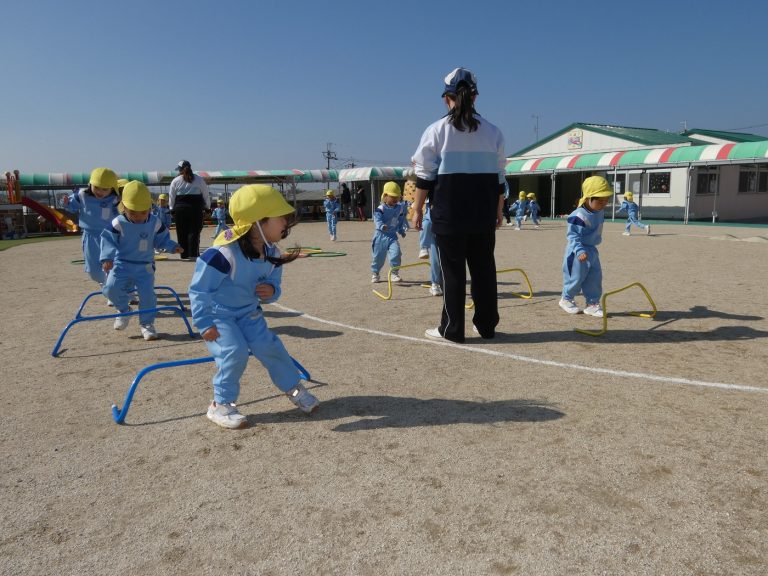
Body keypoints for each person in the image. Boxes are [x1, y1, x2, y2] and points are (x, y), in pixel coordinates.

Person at [188, 184, 319, 429]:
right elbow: (199, 290)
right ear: (258, 222)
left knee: (270, 347)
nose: (286, 222)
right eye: (281, 217)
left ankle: (293, 390)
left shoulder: (271, 253)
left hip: (249, 314)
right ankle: (220, 404)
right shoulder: (223, 254)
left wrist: (271, 291)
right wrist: (204, 323)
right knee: (234, 351)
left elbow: (273, 286)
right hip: (220, 316)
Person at [411, 67, 505, 343]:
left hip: (449, 214)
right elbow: (500, 177)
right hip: (483, 213)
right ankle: (487, 326)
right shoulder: (493, 132)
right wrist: (499, 210)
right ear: (475, 97)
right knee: (484, 270)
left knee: (452, 274)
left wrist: (417, 209)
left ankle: (452, 330)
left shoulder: (437, 130)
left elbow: (424, 175)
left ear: (446, 98)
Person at [101, 181, 182, 340]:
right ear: (124, 207)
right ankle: (124, 310)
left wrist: (172, 246)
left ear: (150, 208)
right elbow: (108, 240)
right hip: (121, 264)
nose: (138, 217)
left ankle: (147, 324)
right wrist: (107, 257)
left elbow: (162, 239)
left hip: (144, 266)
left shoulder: (154, 222)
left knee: (147, 296)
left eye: (143, 213)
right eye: (133, 213)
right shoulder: (118, 223)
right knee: (110, 289)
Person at [559, 176, 613, 317]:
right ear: (589, 198)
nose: (604, 204)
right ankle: (566, 299)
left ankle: (592, 304)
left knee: (594, 278)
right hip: (577, 251)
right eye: (600, 201)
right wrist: (579, 250)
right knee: (575, 277)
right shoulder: (578, 215)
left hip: (592, 250)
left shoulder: (599, 212)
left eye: (606, 200)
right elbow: (572, 236)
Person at [62, 167, 121, 287]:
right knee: (93, 271)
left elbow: (121, 216)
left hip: (109, 237)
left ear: (112, 188)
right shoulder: (82, 195)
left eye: (104, 189)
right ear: (90, 184)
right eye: (96, 187)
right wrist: (66, 202)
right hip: (90, 237)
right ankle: (107, 285)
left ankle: (115, 291)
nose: (100, 191)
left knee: (113, 265)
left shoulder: (115, 200)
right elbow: (72, 207)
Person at [169, 160, 211, 260]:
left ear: (179, 170)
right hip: (195, 209)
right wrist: (208, 208)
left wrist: (171, 209)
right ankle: (193, 254)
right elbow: (206, 195)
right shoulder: (199, 180)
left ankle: (184, 254)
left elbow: (172, 197)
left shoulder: (175, 181)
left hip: (180, 209)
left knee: (181, 232)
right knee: (194, 231)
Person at [371, 181, 407, 283]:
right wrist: (381, 225)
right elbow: (377, 219)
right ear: (385, 196)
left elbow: (399, 220)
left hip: (392, 236)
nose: (396, 199)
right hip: (380, 236)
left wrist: (400, 230)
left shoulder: (399, 208)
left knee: (396, 253)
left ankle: (394, 274)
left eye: (397, 197)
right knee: (378, 257)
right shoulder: (381, 208)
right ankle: (375, 273)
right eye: (393, 196)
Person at [419, 200, 443, 296]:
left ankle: (445, 283)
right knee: (436, 260)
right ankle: (435, 284)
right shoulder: (429, 213)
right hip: (435, 236)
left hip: (449, 233)